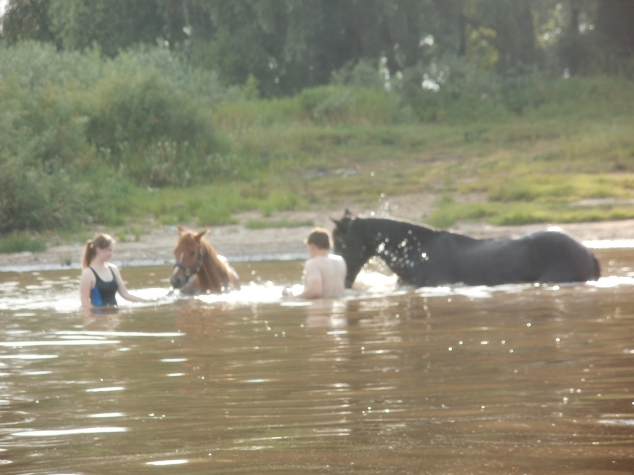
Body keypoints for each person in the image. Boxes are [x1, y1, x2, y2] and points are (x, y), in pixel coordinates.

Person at [79, 234, 152, 309]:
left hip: (114, 315)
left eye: (112, 251)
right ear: (99, 249)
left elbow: (125, 295)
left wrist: (146, 301)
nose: (111, 254)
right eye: (109, 250)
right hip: (98, 316)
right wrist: (99, 316)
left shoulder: (113, 269)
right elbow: (84, 302)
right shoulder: (88, 273)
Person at [290, 227, 347, 299]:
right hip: (339, 307)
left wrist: (292, 298)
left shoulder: (313, 263)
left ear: (312, 246)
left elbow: (315, 292)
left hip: (320, 308)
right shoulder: (340, 260)